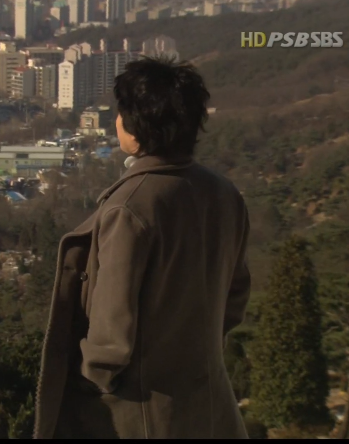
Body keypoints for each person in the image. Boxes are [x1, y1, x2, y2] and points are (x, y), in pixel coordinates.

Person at [33, 56, 251, 439]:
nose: (117, 121)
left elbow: (111, 333)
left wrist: (88, 384)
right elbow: (235, 297)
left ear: (136, 127)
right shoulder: (223, 193)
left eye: (121, 113)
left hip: (142, 415)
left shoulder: (130, 208)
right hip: (210, 405)